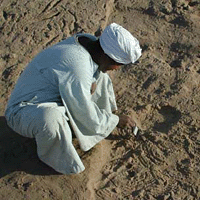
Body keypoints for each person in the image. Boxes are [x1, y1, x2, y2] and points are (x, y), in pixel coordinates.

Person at [5, 23, 142, 174]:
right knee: (50, 119)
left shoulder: (88, 42)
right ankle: (55, 159)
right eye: (117, 64)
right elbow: (86, 114)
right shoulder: (77, 65)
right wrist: (115, 121)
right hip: (23, 111)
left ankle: (104, 119)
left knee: (101, 77)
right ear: (107, 55)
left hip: (52, 94)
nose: (116, 68)